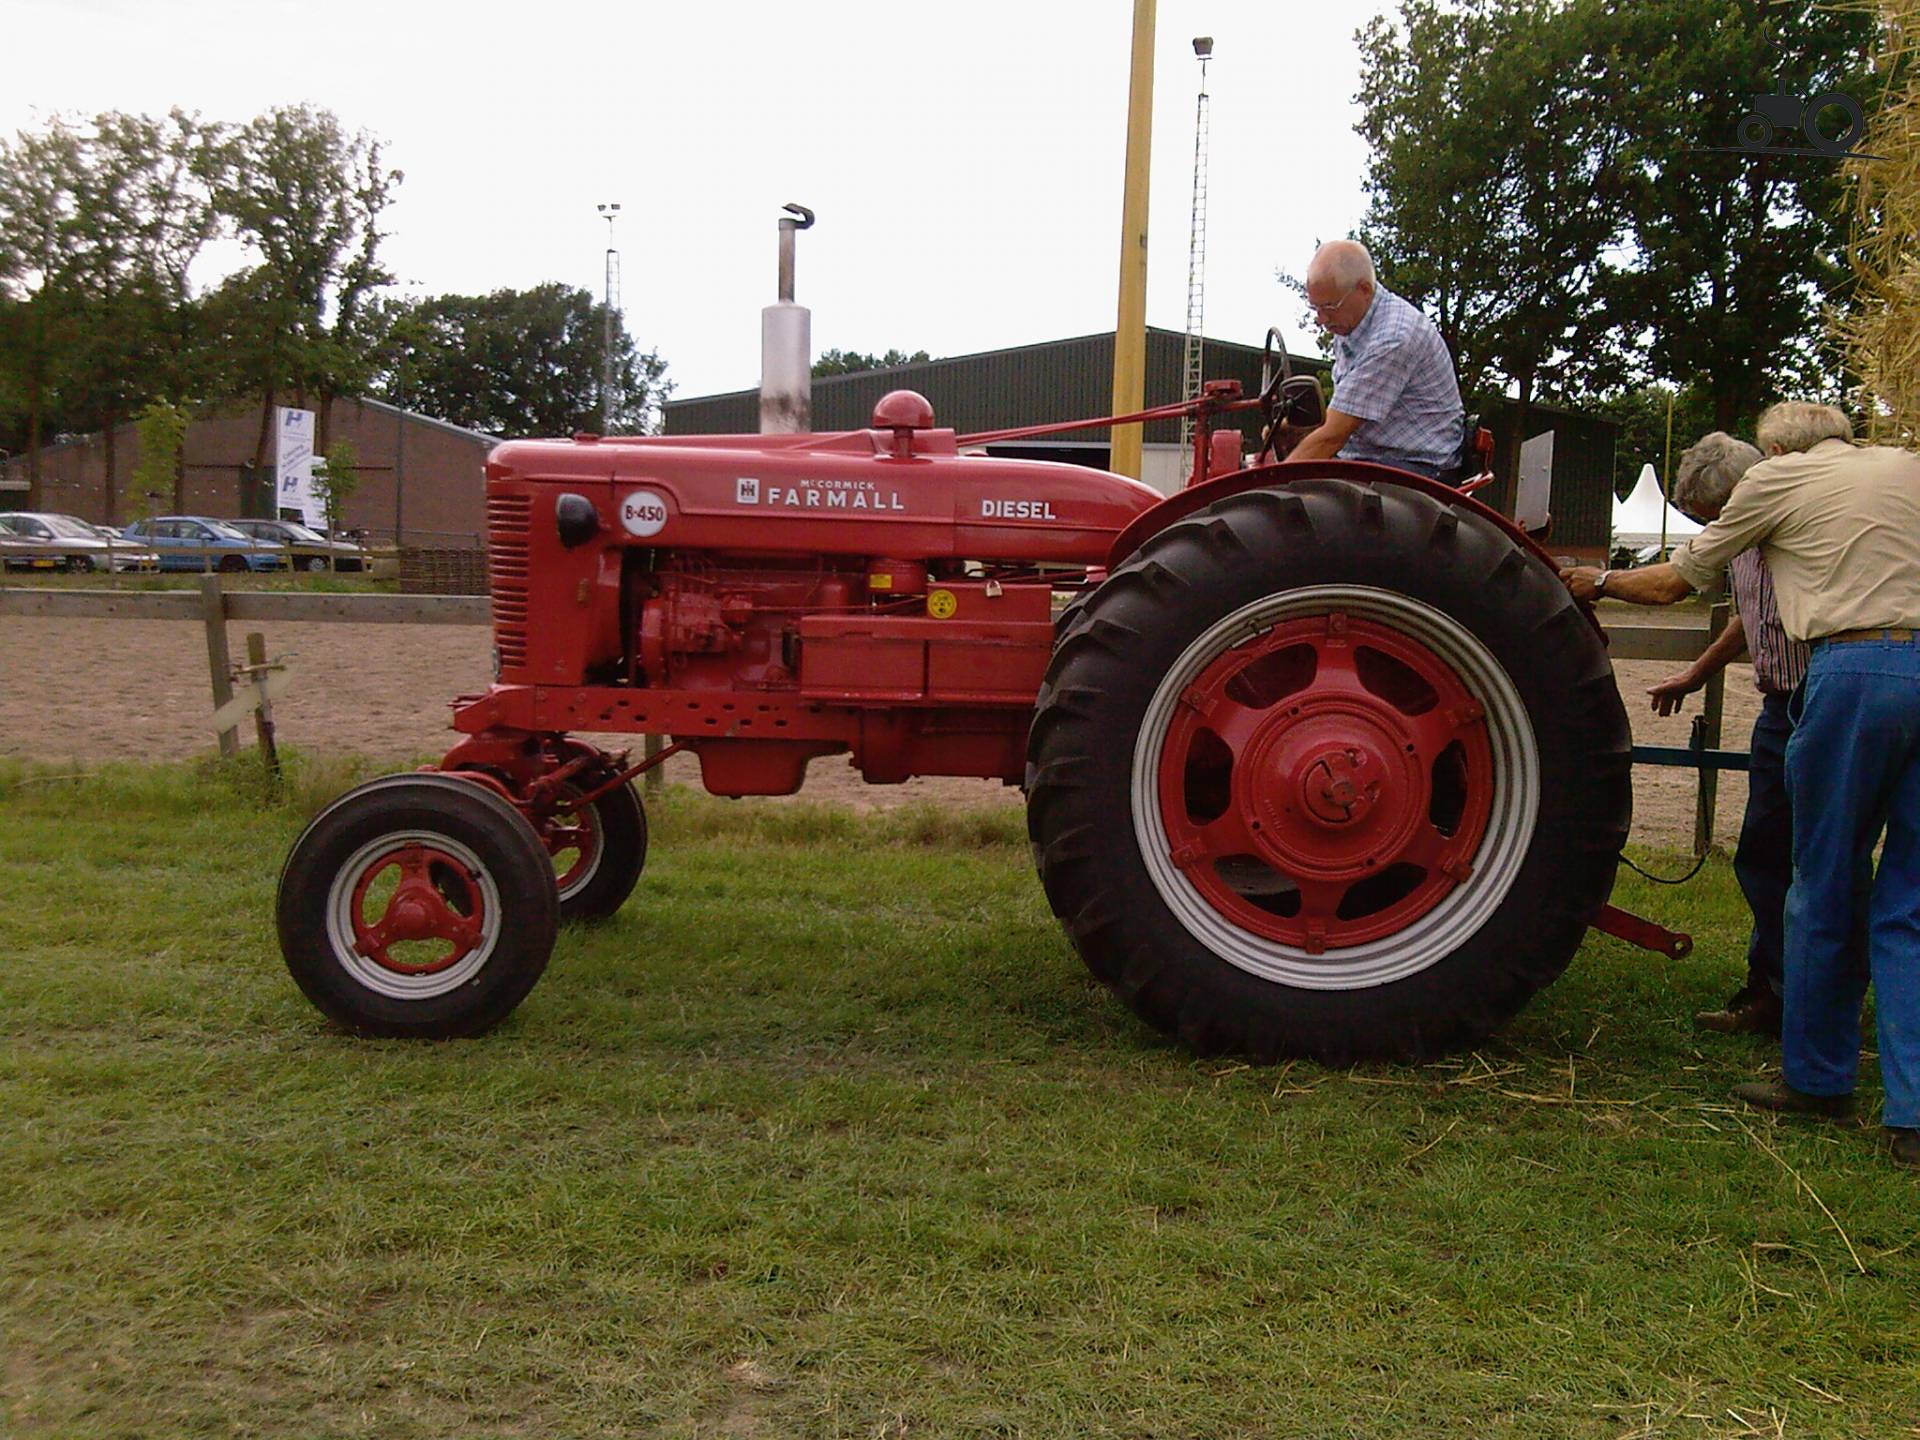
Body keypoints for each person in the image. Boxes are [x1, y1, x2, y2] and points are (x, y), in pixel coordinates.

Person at [1562, 401, 1920, 1169]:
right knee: (1910, 903)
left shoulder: (1779, 477)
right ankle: (1913, 1116)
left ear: (1776, 449)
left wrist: (1601, 580)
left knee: (1823, 881)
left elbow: (1674, 584)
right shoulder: (1904, 466)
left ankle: (1820, 1080)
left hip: (1854, 671)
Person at [1647, 433, 1809, 1036]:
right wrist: (1696, 673)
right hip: (1779, 708)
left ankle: (1802, 997)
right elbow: (1749, 614)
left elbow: (1669, 586)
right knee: (1765, 853)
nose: (1717, 527)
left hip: (1813, 702)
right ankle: (1774, 989)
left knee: (1801, 855)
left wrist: (1604, 583)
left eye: (1715, 516)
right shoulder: (1746, 533)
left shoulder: (1797, 526)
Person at [1286, 240, 1464, 481]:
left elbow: (1333, 436)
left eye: (1329, 307)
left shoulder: (1393, 338)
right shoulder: (1349, 323)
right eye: (1315, 308)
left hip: (1419, 467)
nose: (1321, 319)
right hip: (1371, 453)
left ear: (1364, 289)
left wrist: (1269, 481)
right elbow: (1340, 416)